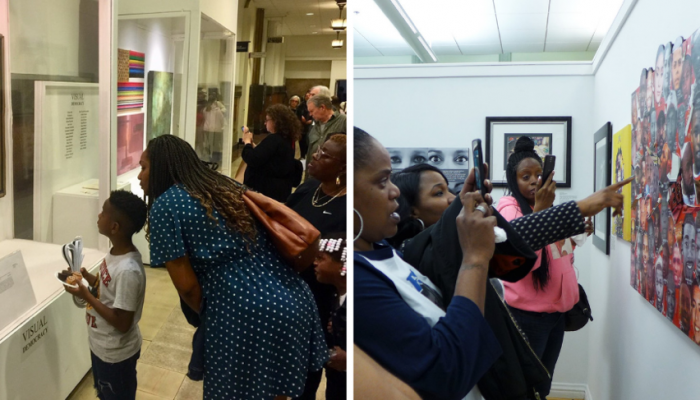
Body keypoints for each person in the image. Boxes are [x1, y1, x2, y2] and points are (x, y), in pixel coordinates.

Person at [354, 127, 628, 399]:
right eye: (382, 181)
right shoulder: (407, 254)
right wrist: (577, 208)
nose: (392, 192)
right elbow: (510, 236)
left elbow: (507, 240)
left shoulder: (389, 252)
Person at [139, 135, 327, 399]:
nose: (139, 176)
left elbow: (188, 288)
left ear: (160, 168)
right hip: (294, 299)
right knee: (281, 392)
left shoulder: (166, 205)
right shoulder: (223, 185)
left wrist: (215, 316)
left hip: (242, 313)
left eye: (143, 167)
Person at [494, 137, 593, 398]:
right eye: (525, 176)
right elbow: (521, 257)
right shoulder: (508, 209)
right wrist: (542, 210)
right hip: (528, 316)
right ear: (512, 179)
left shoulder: (544, 207)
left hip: (557, 313)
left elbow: (556, 252)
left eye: (538, 174)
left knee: (544, 382)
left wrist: (576, 235)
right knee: (525, 384)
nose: (534, 181)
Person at [64, 190, 148, 400]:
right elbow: (106, 288)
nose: (98, 216)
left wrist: (86, 294)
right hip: (102, 347)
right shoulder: (114, 254)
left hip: (116, 355)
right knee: (104, 393)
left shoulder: (129, 270)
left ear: (114, 227)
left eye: (103, 212)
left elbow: (122, 322)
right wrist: (86, 277)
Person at [286, 133, 346, 400]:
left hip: (327, 304)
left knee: (323, 379)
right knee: (295, 377)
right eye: (318, 149)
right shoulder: (308, 188)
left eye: (325, 155)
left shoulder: (350, 207)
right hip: (293, 296)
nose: (315, 156)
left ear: (343, 168)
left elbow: (347, 259)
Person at [388, 164, 456, 250]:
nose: (453, 198)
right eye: (439, 193)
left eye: (448, 190)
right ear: (412, 212)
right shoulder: (413, 254)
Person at [242, 104, 301, 202]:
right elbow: (272, 155)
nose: (265, 123)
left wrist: (247, 142)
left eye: (267, 120)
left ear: (276, 121)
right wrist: (254, 146)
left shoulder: (274, 139)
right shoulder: (287, 138)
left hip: (266, 189)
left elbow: (252, 159)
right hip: (279, 188)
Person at [314, 234, 348, 400]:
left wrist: (349, 361)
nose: (314, 263)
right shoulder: (336, 296)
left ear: (343, 266)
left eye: (321, 258)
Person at [305, 95, 347, 174]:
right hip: (314, 175)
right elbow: (310, 150)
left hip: (333, 175)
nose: (310, 114)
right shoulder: (314, 125)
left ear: (322, 107)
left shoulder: (344, 121)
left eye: (312, 111)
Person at [202, 95, 225, 165]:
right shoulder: (218, 111)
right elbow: (222, 120)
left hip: (207, 129)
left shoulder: (205, 109)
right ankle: (216, 158)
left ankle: (209, 157)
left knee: (209, 143)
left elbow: (205, 118)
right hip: (217, 129)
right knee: (217, 145)